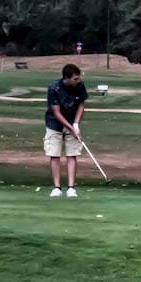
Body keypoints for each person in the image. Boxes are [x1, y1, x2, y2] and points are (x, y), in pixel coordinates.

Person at [44, 63, 88, 197]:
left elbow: (81, 105)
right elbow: (56, 113)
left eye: (78, 78)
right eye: (75, 79)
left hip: (72, 121)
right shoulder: (54, 88)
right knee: (54, 154)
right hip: (54, 123)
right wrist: (70, 127)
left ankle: (71, 188)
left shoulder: (80, 86)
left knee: (72, 154)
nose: (78, 80)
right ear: (66, 78)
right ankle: (57, 187)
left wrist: (76, 124)